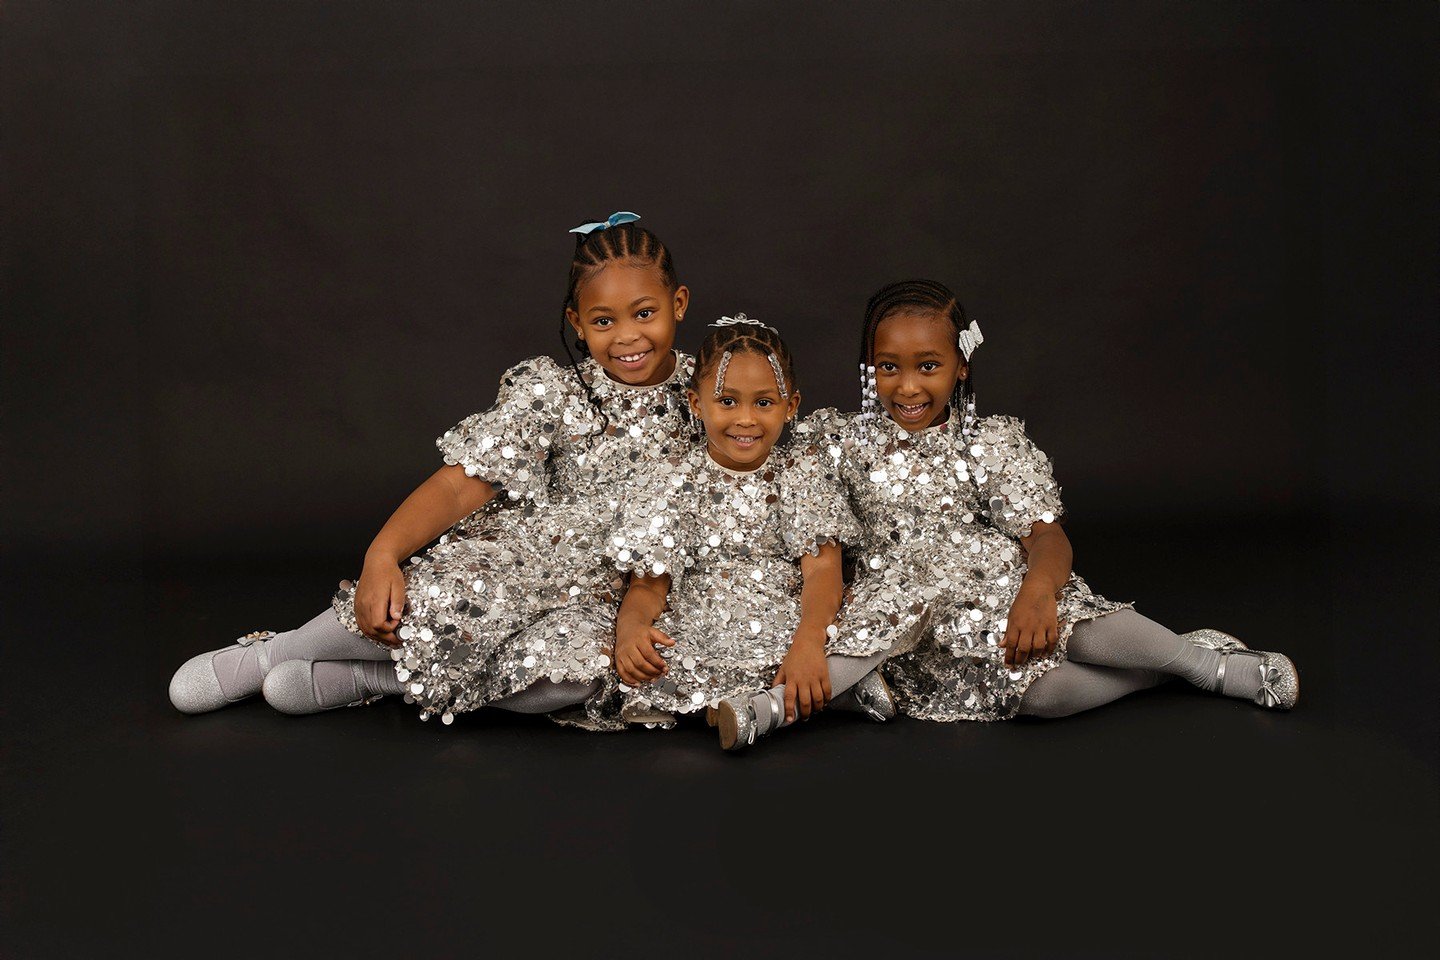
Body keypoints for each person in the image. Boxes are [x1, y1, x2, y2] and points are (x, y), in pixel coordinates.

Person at [169, 213, 696, 728]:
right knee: (439, 605)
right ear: (577, 323)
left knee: (581, 678)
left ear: (678, 304)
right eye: (604, 321)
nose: (627, 337)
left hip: (617, 595)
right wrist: (383, 555)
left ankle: (370, 681)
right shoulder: (554, 394)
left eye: (644, 313)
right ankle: (273, 654)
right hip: (522, 563)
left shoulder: (708, 399)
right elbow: (455, 486)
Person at [795, 279, 1298, 722]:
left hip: (998, 590)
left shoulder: (989, 443)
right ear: (868, 368)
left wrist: (1036, 592)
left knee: (1070, 630)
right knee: (1039, 699)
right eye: (888, 367)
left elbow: (1046, 535)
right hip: (909, 619)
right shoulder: (836, 443)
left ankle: (1208, 666)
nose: (908, 387)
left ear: (961, 367)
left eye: (929, 366)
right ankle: (1162, 672)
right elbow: (750, 436)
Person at [608, 316, 929, 751]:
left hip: (793, 619)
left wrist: (809, 640)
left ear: (791, 405)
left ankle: (769, 708)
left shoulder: (799, 473)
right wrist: (631, 626)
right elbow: (649, 584)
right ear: (696, 403)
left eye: (764, 403)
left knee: (903, 593)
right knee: (644, 668)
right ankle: (835, 690)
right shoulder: (669, 479)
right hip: (705, 622)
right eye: (726, 401)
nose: (745, 420)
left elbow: (821, 574)